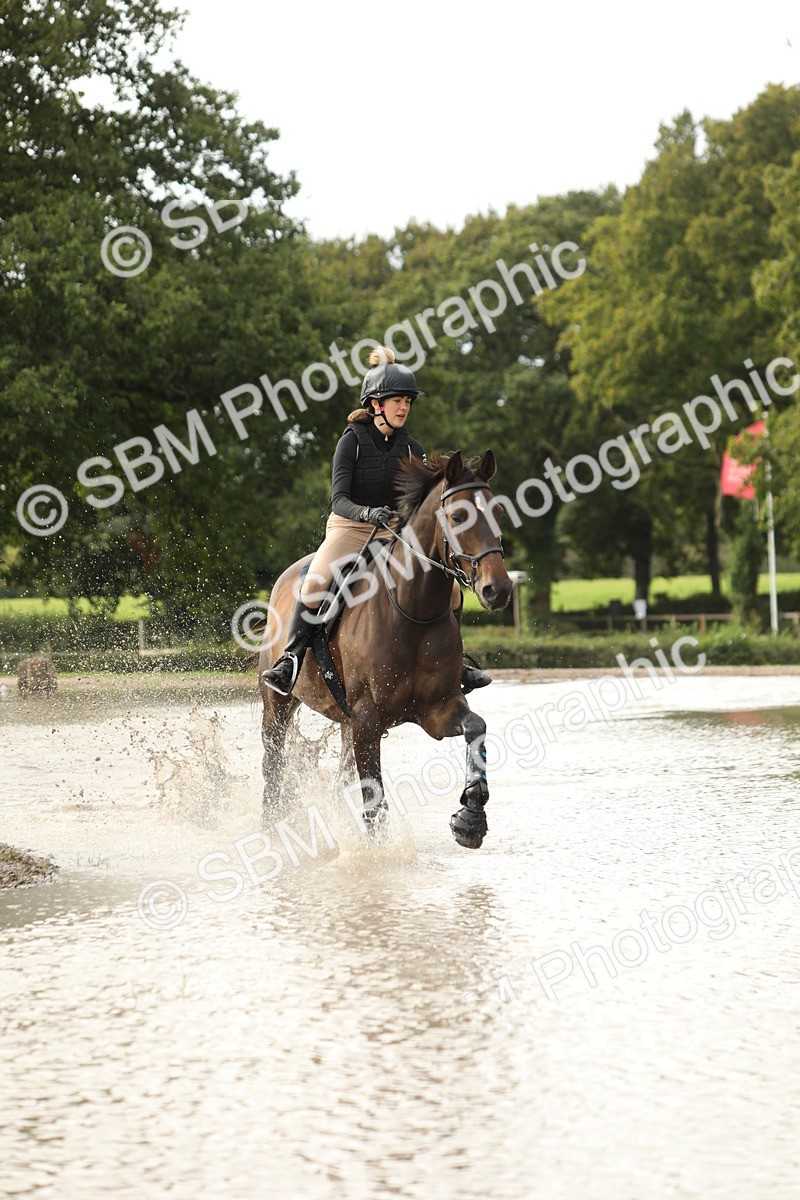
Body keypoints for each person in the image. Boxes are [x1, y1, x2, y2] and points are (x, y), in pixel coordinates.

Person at [261, 346, 491, 696]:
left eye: (408, 402)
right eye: (397, 400)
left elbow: (420, 504)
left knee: (455, 590)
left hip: (393, 531)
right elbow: (338, 499)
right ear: (375, 404)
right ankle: (289, 660)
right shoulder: (350, 443)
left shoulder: (412, 447)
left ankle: (457, 665)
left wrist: (405, 521)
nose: (404, 407)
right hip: (349, 527)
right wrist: (367, 513)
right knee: (315, 582)